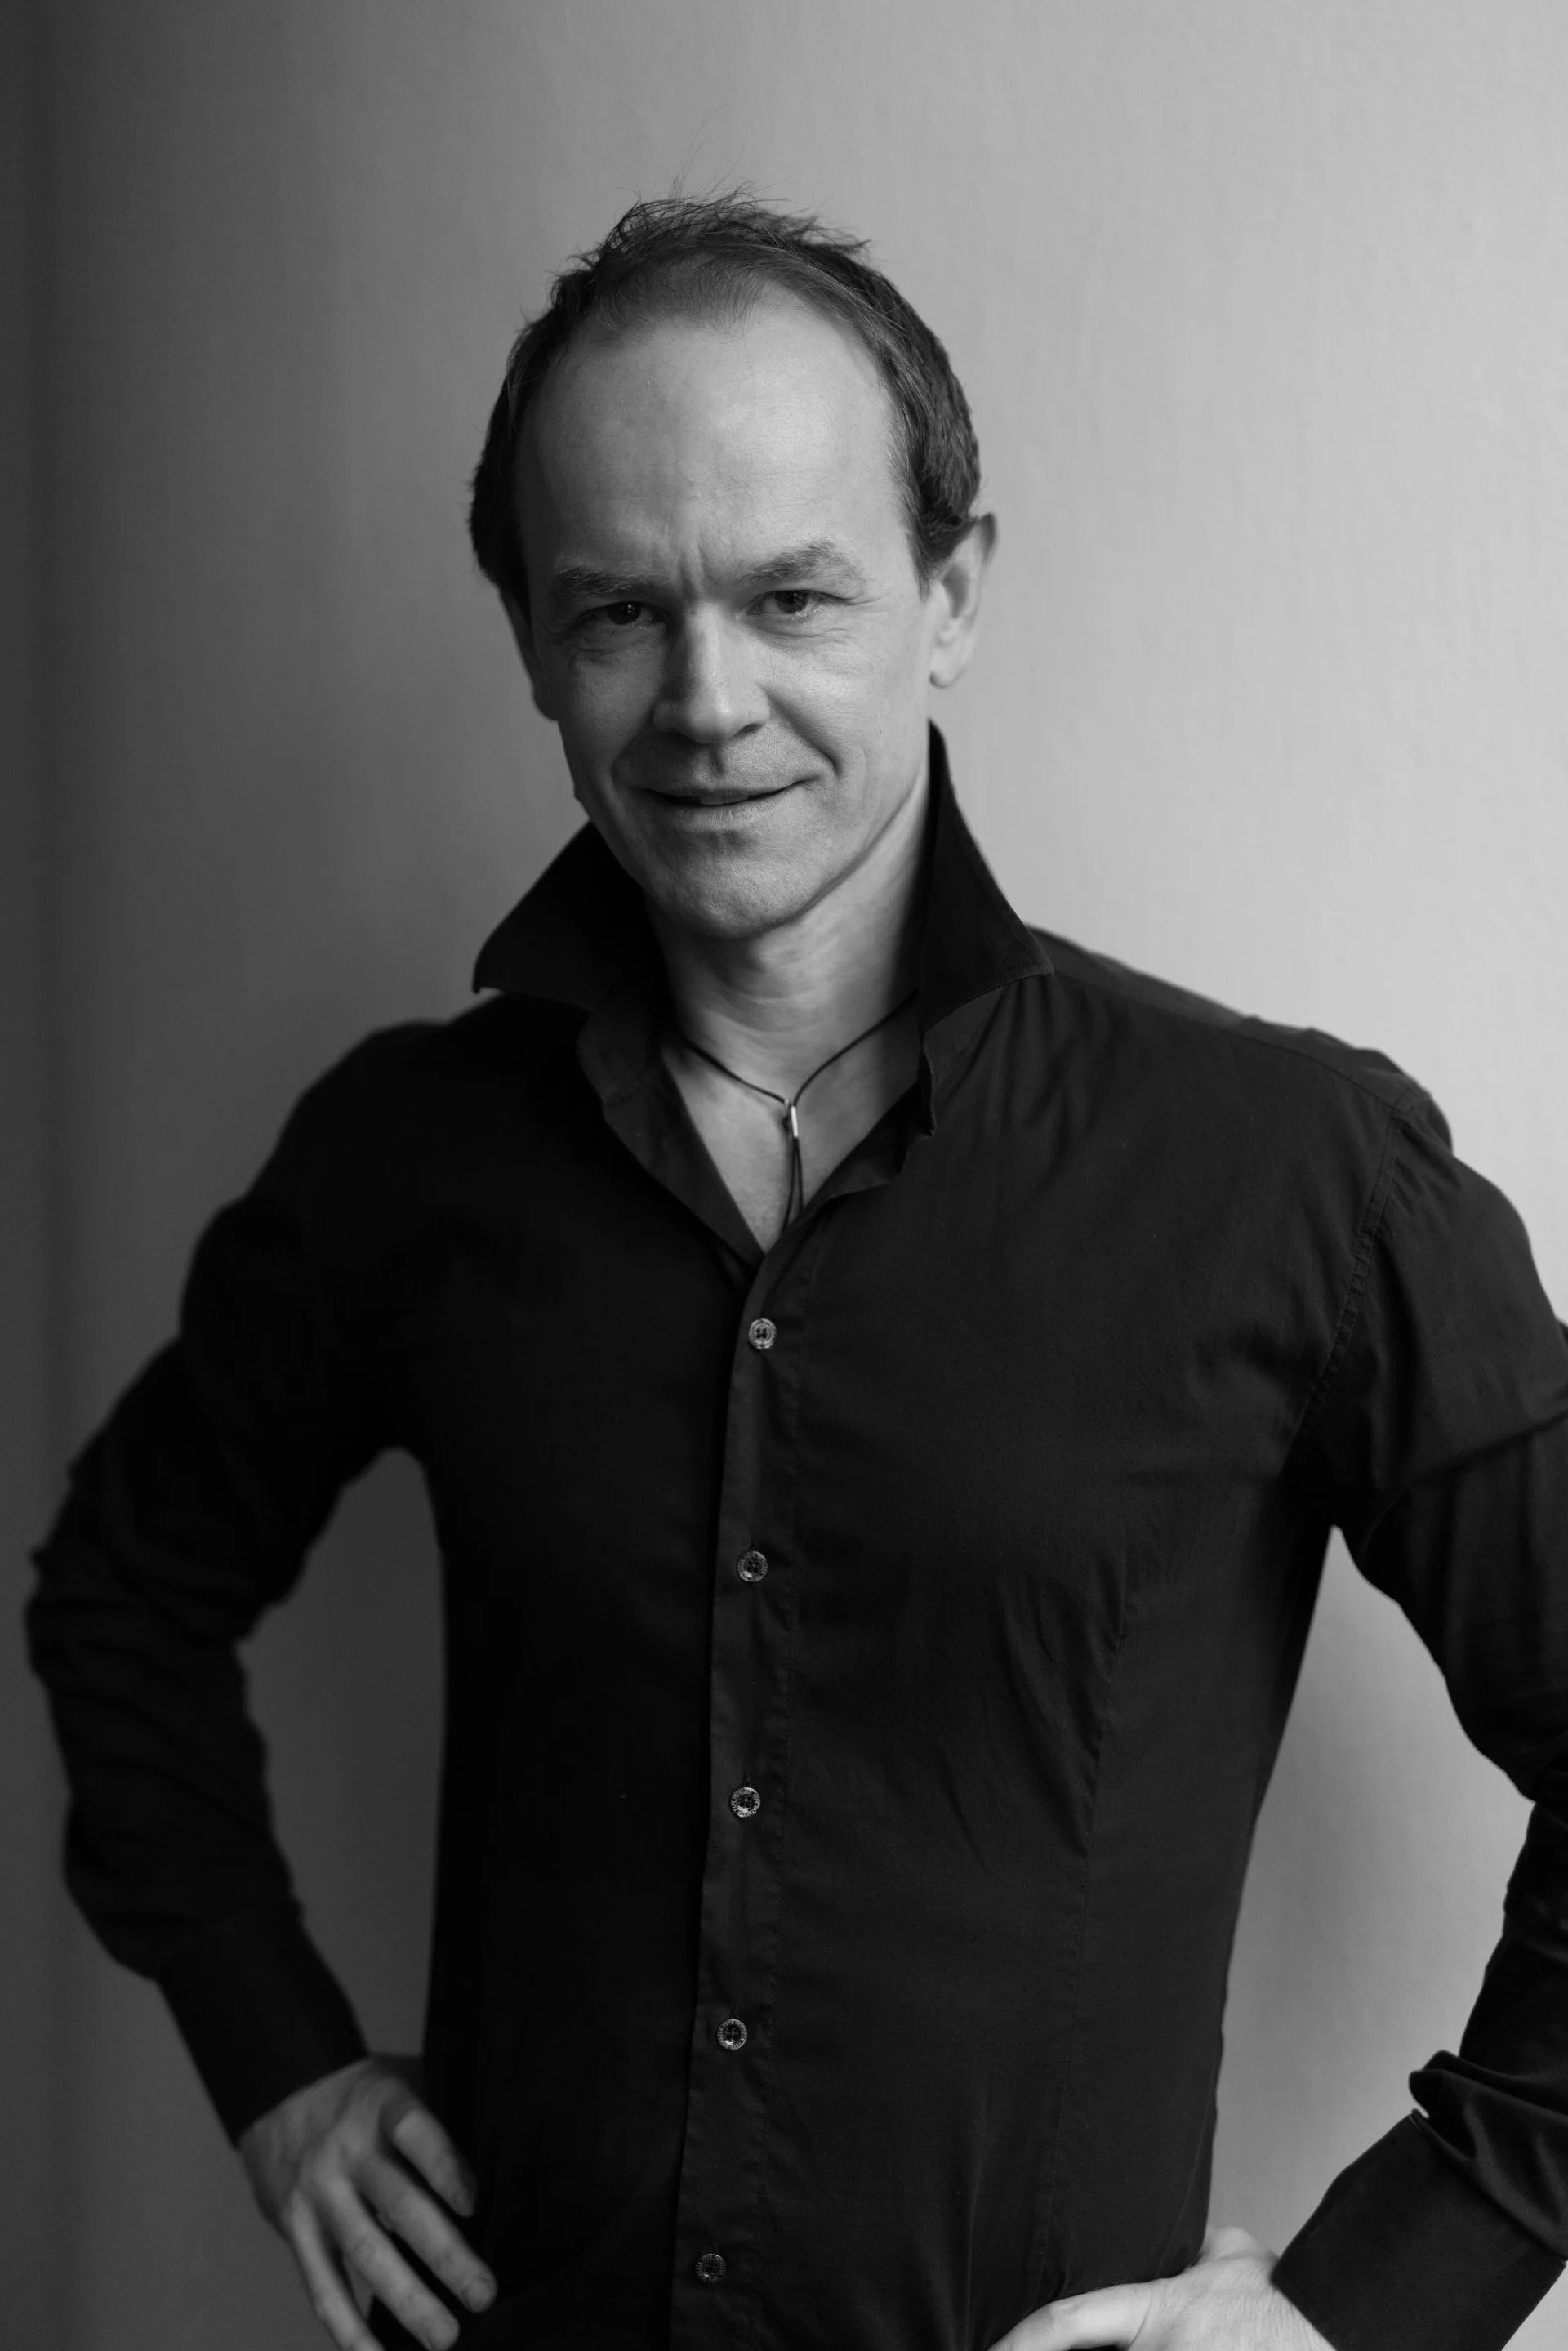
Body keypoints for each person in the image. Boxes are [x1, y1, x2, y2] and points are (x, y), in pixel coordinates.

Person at [26, 194, 1568, 2351]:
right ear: (531, 642)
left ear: (952, 595)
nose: (706, 701)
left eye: (793, 594)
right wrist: (274, 2061)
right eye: (617, 610)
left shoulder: (1295, 1175)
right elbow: (120, 1596)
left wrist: (1375, 2308)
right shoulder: (406, 1156)